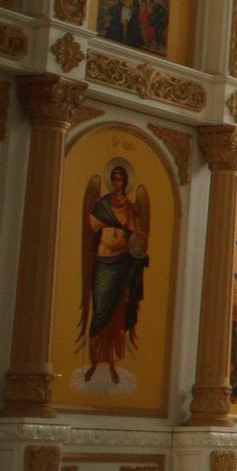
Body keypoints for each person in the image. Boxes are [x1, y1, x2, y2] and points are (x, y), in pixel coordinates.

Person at [79, 162, 149, 383]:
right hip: (103, 262)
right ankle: (92, 362)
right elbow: (92, 224)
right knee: (100, 311)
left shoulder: (128, 207)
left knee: (117, 315)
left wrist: (137, 251)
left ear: (125, 183)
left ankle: (112, 363)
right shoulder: (102, 203)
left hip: (122, 264)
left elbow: (133, 235)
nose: (118, 183)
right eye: (115, 179)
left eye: (121, 179)